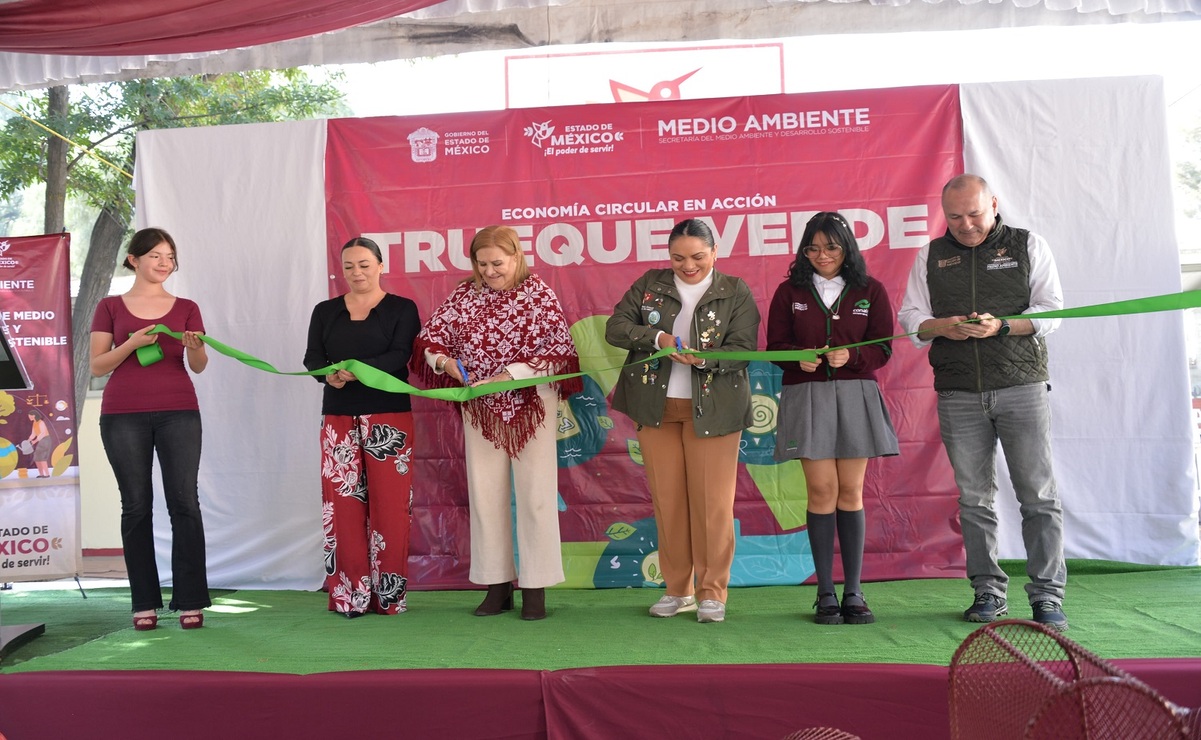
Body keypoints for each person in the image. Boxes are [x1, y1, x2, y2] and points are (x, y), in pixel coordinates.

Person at [898, 174, 1068, 632]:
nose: (966, 225)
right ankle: (987, 591)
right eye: (955, 217)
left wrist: (1002, 326)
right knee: (974, 499)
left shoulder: (1028, 244)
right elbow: (910, 317)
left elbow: (1053, 310)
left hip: (1022, 386)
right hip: (958, 391)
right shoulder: (930, 255)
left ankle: (1047, 595)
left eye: (975, 214)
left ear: (993, 204)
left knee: (1037, 495)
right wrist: (941, 326)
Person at [410, 225, 581, 620]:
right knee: (486, 496)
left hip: (531, 404)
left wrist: (510, 375)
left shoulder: (538, 294)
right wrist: (446, 363)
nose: (489, 271)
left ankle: (535, 589)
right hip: (480, 408)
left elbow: (561, 355)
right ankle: (497, 585)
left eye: (497, 263)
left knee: (537, 497)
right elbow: (429, 341)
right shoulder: (464, 295)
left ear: (516, 256)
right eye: (481, 263)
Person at [606, 218, 761, 624]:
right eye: (678, 257)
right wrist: (655, 339)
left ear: (715, 253)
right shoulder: (650, 283)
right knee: (669, 502)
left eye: (697, 257)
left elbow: (743, 350)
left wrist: (704, 359)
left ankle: (712, 592)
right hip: (656, 409)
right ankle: (678, 590)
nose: (687, 265)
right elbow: (616, 328)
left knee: (712, 505)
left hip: (714, 411)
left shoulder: (735, 291)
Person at [766, 211, 899, 626]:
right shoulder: (790, 292)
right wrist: (796, 358)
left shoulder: (869, 290)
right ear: (804, 251)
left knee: (851, 491)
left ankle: (854, 591)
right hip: (807, 396)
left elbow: (884, 349)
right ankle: (825, 592)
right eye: (814, 248)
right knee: (821, 491)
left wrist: (854, 355)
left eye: (832, 247)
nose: (823, 255)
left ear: (847, 249)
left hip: (856, 394)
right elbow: (775, 347)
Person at [89, 227, 211, 631]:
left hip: (180, 412)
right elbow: (98, 365)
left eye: (170, 256)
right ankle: (144, 602)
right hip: (123, 415)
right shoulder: (109, 306)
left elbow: (198, 365)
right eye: (156, 255)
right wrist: (131, 343)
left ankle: (191, 599)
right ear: (133, 260)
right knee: (137, 506)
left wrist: (195, 345)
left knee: (184, 503)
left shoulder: (187, 307)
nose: (164, 263)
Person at [304, 236, 421, 618]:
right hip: (338, 417)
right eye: (349, 266)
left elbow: (400, 355)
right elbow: (313, 359)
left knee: (390, 508)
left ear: (381, 266)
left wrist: (352, 371)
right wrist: (329, 377)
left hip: (389, 418)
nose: (356, 272)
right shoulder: (325, 311)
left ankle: (389, 596)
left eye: (364, 265)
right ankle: (347, 595)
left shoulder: (403, 309)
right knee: (342, 508)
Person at [26, 409, 52, 478]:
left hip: (45, 440)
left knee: (42, 457)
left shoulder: (41, 422)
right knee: (37, 458)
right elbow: (33, 433)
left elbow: (42, 433)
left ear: (34, 415)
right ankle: (41, 474)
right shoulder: (34, 423)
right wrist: (28, 440)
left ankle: (47, 474)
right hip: (41, 440)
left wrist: (35, 441)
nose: (29, 418)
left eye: (30, 416)